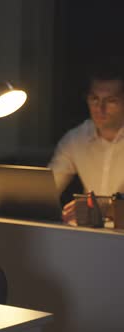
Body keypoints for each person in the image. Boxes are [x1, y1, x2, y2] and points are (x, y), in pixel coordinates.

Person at [50, 59, 124, 226]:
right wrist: (8, 200)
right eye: (94, 99)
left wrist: (104, 208)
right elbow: (47, 188)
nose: (100, 108)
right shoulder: (76, 139)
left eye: (111, 100)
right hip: (89, 236)